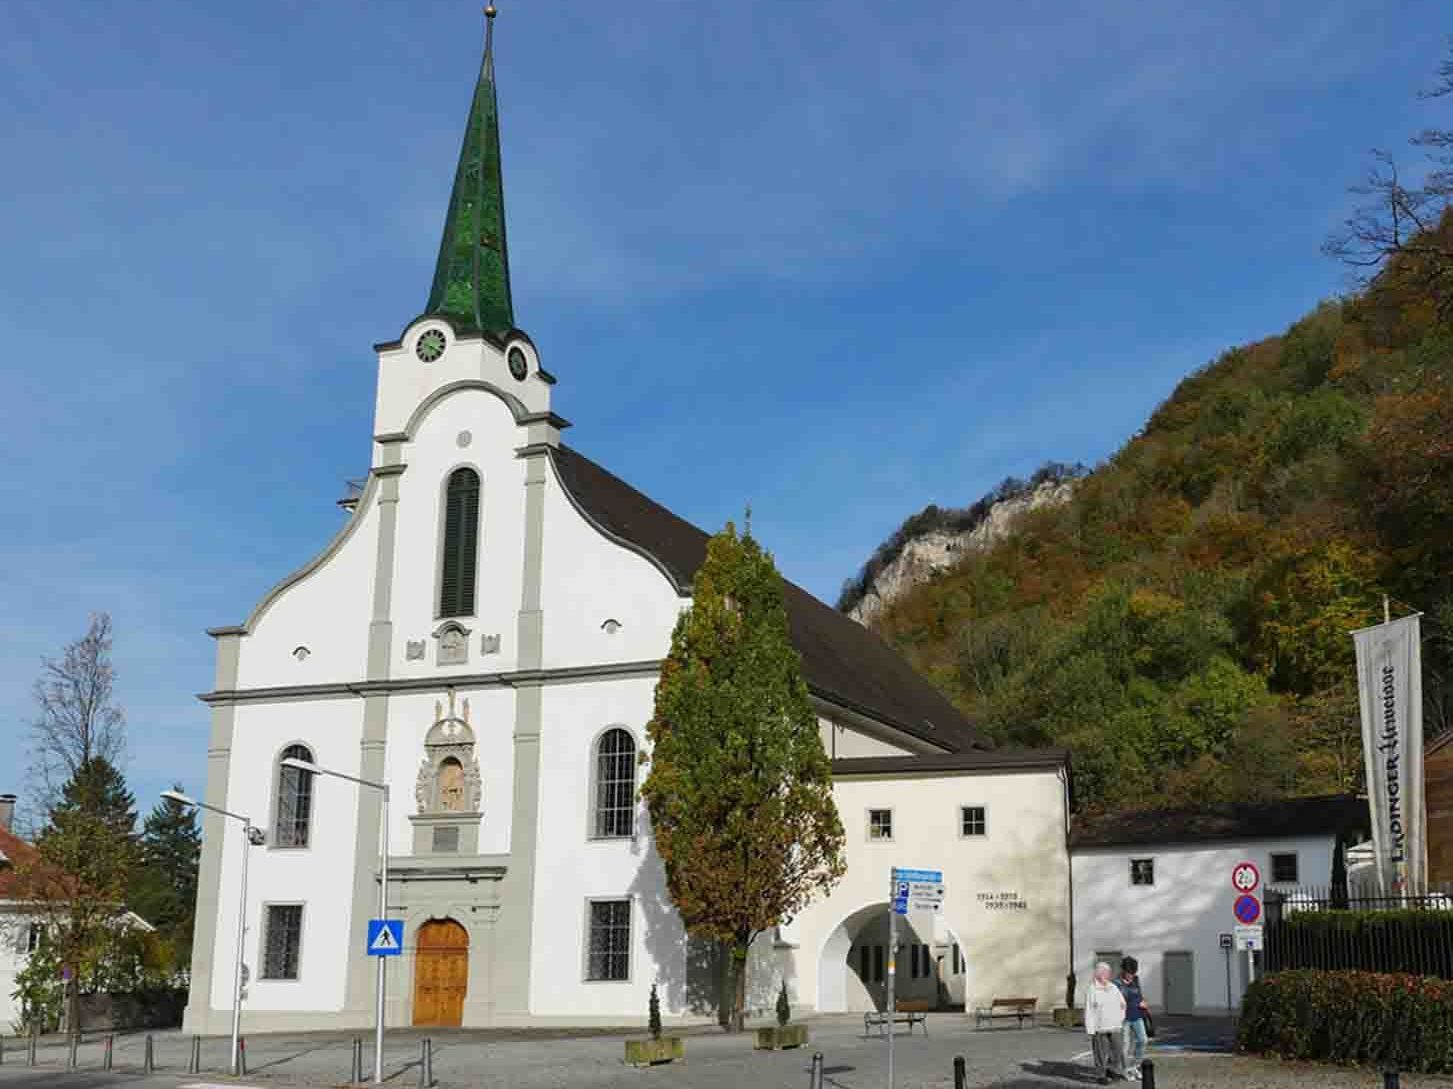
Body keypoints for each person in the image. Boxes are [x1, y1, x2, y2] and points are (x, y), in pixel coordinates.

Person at [1085, 962, 1126, 1084]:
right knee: (1100, 1052)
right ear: (1098, 974)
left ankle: (1112, 1069)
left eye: (1107, 972)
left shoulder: (1113, 987)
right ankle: (1101, 1074)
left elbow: (1122, 1003)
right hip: (1100, 1026)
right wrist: (1090, 1029)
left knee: (1118, 1049)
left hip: (1115, 1025)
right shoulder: (1092, 990)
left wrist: (1120, 1018)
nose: (1106, 975)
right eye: (1103, 972)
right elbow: (1089, 1010)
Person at [1116, 956, 1150, 1080]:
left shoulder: (1136, 980)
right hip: (1124, 1018)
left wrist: (1143, 1002)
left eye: (1133, 973)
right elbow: (1120, 1002)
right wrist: (1137, 1003)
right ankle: (1125, 1070)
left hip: (1137, 1016)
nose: (1131, 975)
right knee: (1125, 1045)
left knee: (1143, 1040)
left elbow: (1138, 995)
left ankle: (1134, 1066)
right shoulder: (1117, 984)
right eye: (1129, 973)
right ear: (1123, 970)